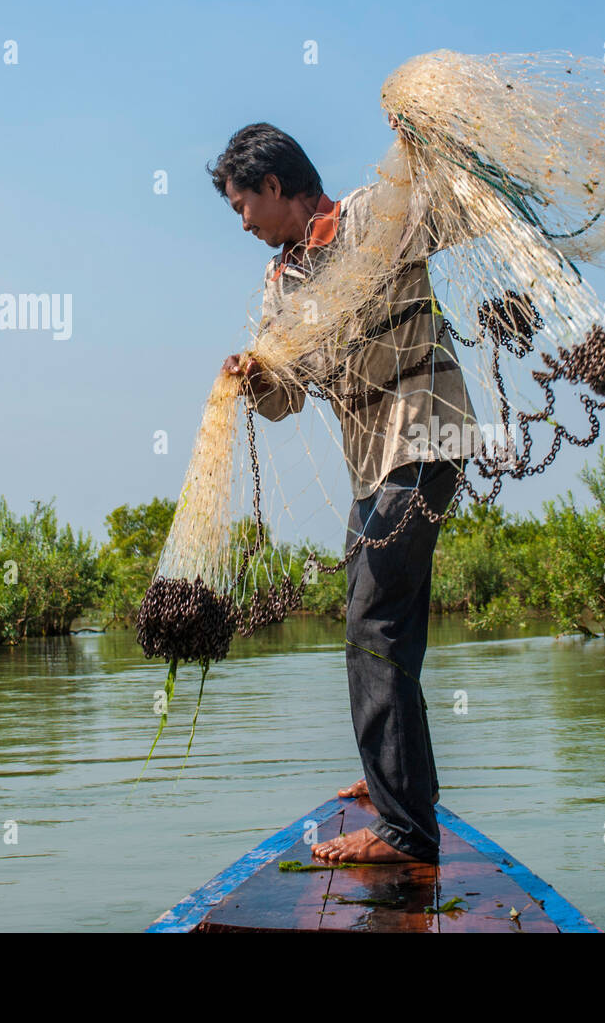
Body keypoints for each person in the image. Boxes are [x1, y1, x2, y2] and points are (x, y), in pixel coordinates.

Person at [209, 121, 481, 864]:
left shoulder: (373, 215)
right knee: (385, 617)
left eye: (243, 206)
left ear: (274, 186)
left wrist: (430, 145)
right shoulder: (283, 284)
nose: (242, 223)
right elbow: (286, 398)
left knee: (374, 621)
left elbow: (459, 210)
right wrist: (255, 376)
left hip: (426, 433)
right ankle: (399, 788)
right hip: (373, 461)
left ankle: (402, 829)